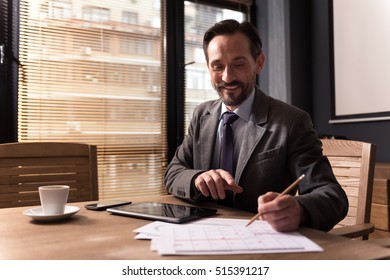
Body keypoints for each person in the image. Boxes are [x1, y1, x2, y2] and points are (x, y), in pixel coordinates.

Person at [164, 19, 348, 232]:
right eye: (218, 66)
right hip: (202, 234)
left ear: (259, 63)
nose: (227, 76)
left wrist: (300, 209)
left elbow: (333, 196)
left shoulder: (292, 121)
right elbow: (173, 173)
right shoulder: (201, 114)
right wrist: (197, 179)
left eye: (238, 64)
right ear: (208, 68)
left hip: (260, 242)